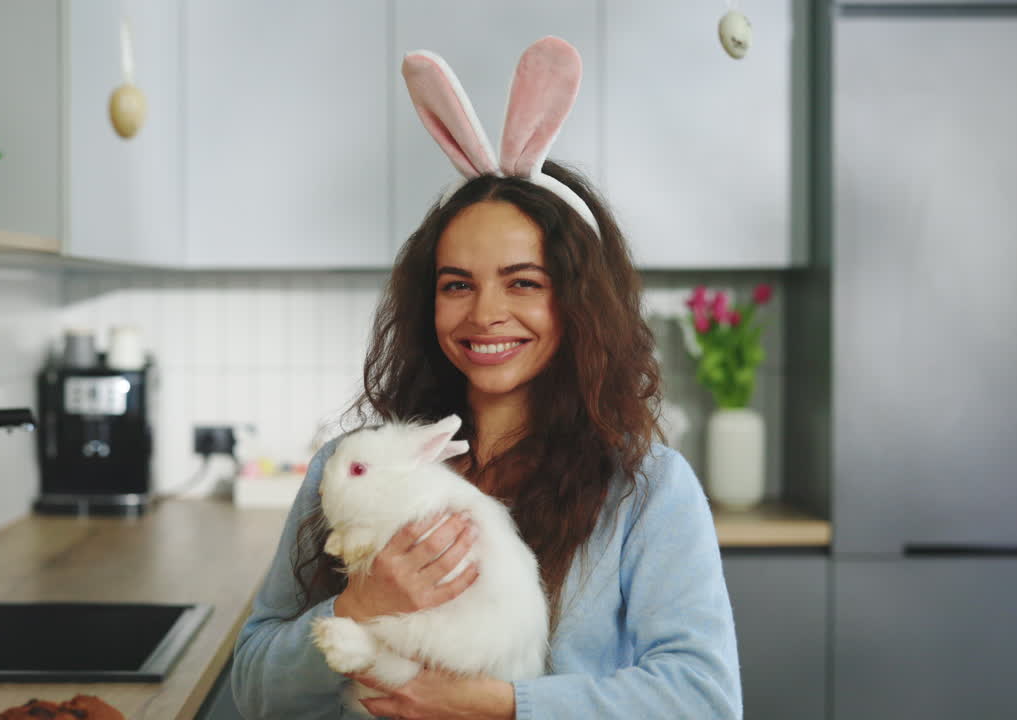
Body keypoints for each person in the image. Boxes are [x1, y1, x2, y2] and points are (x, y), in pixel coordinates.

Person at [232, 37, 741, 719]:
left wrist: (498, 704)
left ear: (577, 301)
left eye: (523, 282)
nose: (486, 314)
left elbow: (703, 702)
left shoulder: (647, 491)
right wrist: (360, 604)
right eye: (456, 284)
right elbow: (252, 687)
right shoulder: (351, 468)